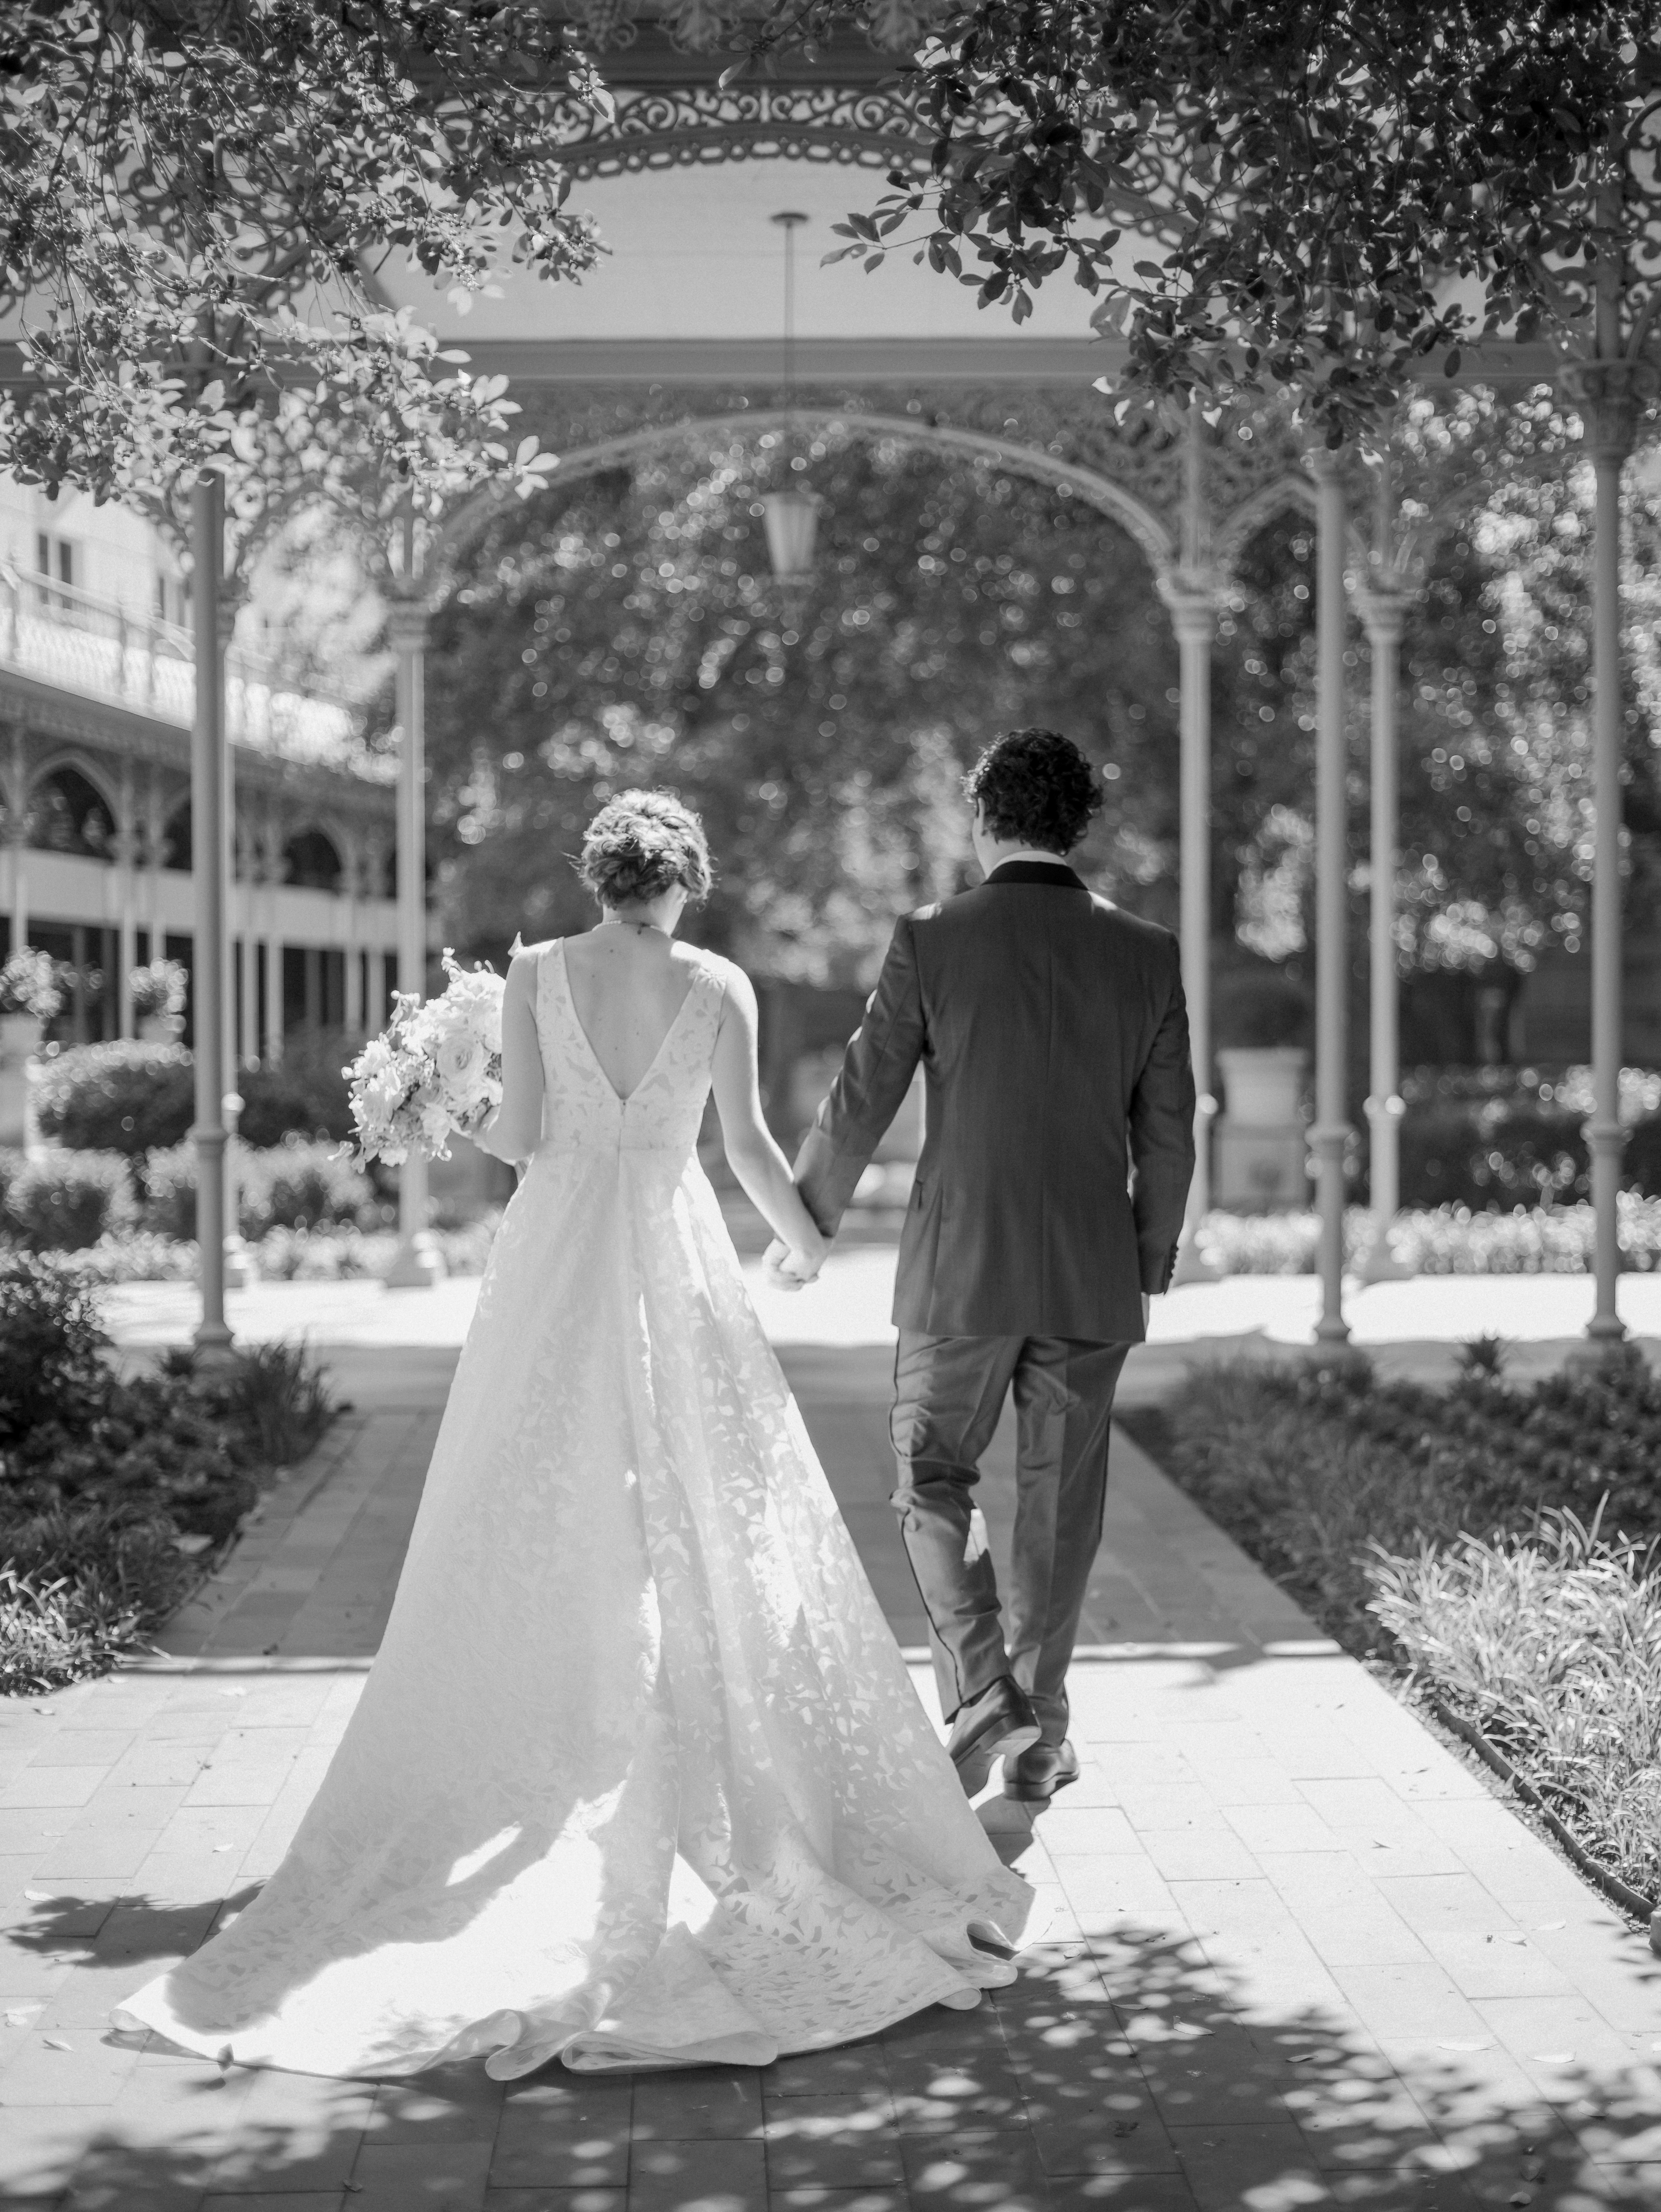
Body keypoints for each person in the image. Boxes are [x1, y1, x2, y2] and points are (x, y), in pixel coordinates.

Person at [113, 791, 1034, 2083]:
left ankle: (572, 1722)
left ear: (596, 877)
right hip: (670, 1252)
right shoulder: (717, 985)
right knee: (704, 1496)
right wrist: (807, 1243)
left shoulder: (538, 973)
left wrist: (447, 1095)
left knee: (536, 1485)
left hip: (555, 1260)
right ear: (686, 880)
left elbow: (522, 1137)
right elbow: (746, 1145)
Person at [766, 729, 1196, 1805]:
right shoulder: (1147, 951)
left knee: (929, 1474)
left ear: (982, 818)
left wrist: (805, 1225)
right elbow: (1168, 1131)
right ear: (1076, 825)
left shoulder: (933, 937)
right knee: (1060, 1504)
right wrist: (1146, 1261)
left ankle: (981, 1690)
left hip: (961, 1266)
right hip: (1092, 1270)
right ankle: (1037, 1732)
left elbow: (863, 1092)